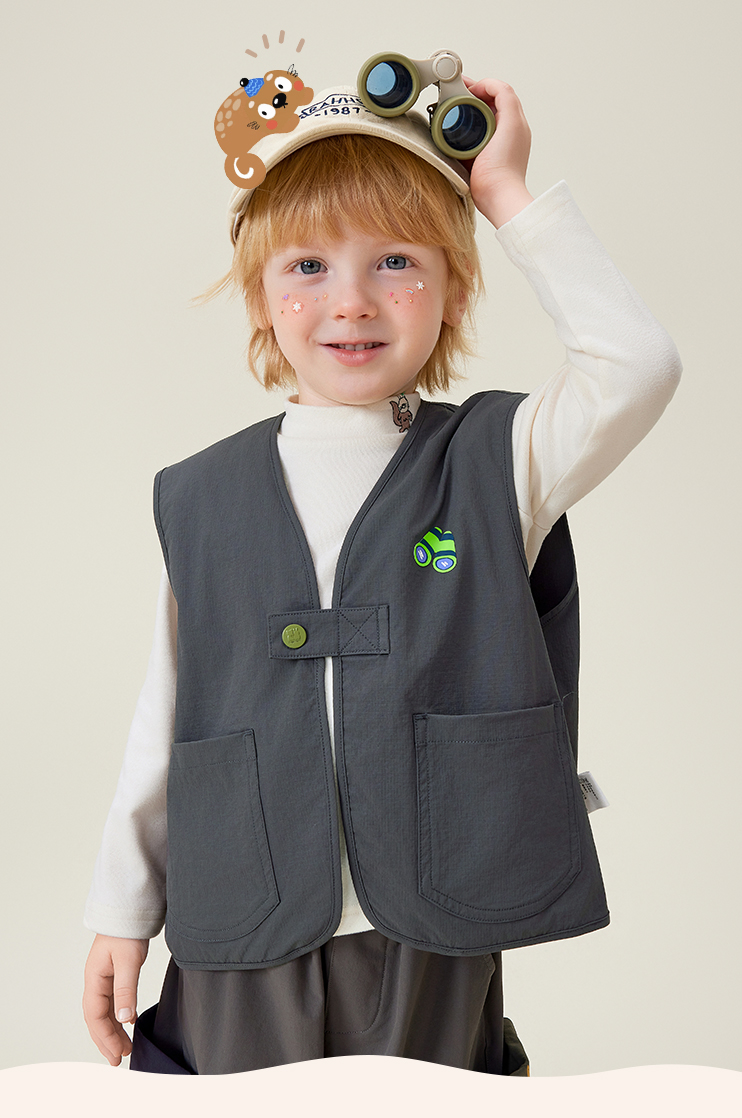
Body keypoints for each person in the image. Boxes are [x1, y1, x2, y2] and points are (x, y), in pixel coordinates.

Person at [82, 76, 682, 1076]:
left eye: (396, 260)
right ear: (261, 294)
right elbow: (170, 710)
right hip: (241, 909)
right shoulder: (201, 494)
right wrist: (122, 907)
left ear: (455, 289)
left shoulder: (503, 460)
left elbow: (638, 366)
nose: (351, 300)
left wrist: (506, 194)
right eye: (308, 265)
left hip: (435, 912)